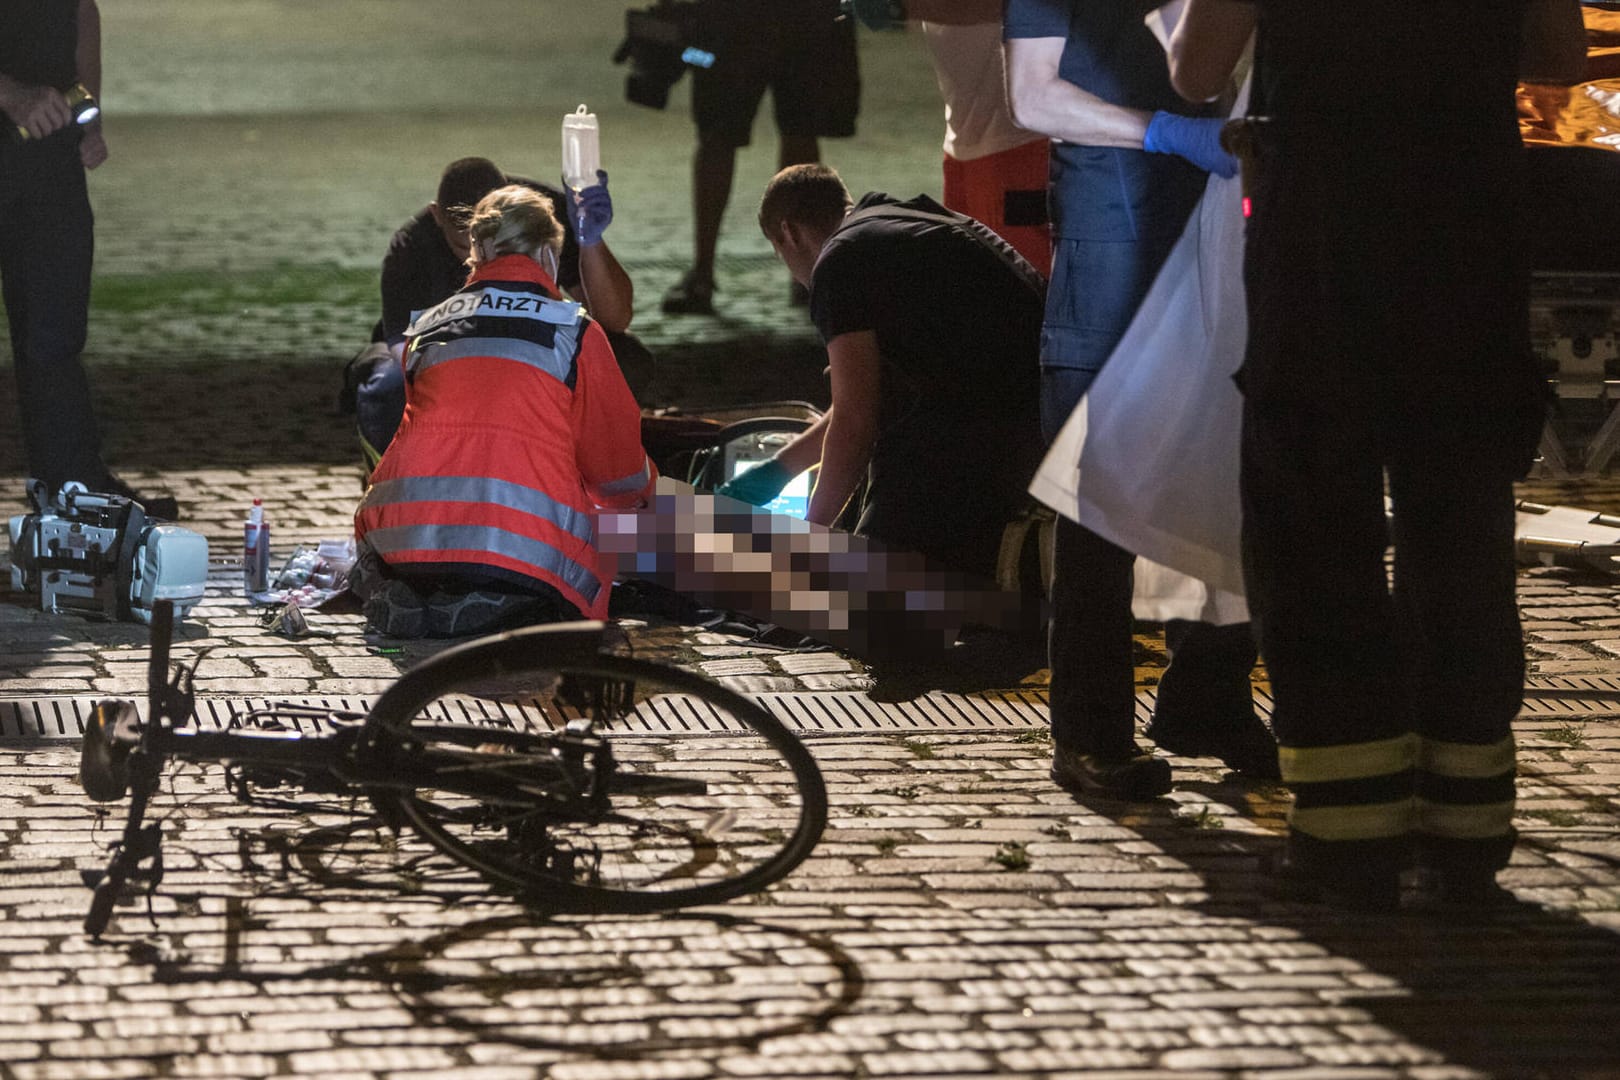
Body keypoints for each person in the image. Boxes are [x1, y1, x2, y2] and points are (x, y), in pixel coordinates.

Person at [1168, 0, 1587, 909]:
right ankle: (1465, 824)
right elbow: (1560, 57)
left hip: (1322, 230)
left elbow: (1196, 72)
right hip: (1468, 227)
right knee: (1462, 525)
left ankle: (1348, 829)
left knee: (1313, 523)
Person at [1002, 0, 1276, 800]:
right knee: (1099, 482)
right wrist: (1161, 130)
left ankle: (1208, 696)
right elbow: (1032, 96)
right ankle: (1090, 734)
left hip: (1221, 224)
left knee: (1234, 458)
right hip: (1115, 224)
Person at [353, 185, 656, 638]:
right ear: (547, 253)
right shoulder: (572, 331)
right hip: (517, 548)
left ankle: (427, 594)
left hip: (402, 537)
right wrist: (650, 499)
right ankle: (499, 599)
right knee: (649, 528)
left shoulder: (428, 325)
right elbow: (617, 473)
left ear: (477, 248)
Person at [718, 164, 1042, 586]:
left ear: (788, 233)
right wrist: (776, 472)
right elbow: (864, 395)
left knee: (867, 594)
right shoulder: (894, 225)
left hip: (995, 430)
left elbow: (856, 421)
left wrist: (807, 539)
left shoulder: (840, 262)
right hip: (1039, 407)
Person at [351, 157, 649, 467]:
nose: (477, 261)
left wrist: (590, 241)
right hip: (452, 365)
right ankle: (391, 464)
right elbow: (408, 354)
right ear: (437, 216)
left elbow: (615, 319)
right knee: (389, 383)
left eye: (497, 248)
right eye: (463, 248)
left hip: (513, 357)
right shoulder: (412, 247)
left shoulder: (546, 216)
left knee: (625, 360)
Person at [0, 0, 178, 519]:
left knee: (53, 339)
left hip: (49, 164)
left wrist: (89, 119)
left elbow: (81, 32)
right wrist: (12, 94)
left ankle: (74, 487)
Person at [660, 0, 860, 315]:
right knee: (797, 132)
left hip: (735, 18)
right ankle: (807, 269)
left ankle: (703, 272)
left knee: (721, 137)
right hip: (800, 16)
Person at [907, 0, 1052, 273]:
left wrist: (899, 8)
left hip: (1017, 143)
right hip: (965, 138)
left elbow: (995, 5)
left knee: (1022, 281)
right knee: (970, 276)